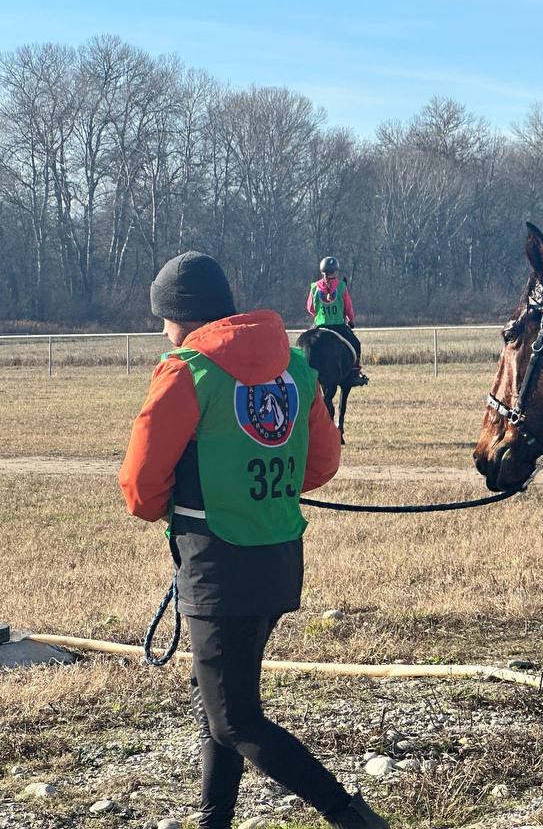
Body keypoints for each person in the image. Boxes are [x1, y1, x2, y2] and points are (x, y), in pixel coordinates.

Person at [119, 251, 389, 829]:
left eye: (163, 319)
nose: (162, 331)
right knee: (220, 702)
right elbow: (321, 463)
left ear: (180, 316)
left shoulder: (186, 372)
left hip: (216, 566)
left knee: (236, 719)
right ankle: (211, 820)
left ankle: (353, 817)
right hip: (278, 560)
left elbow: (140, 490)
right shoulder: (295, 366)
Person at [308, 256, 368, 386]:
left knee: (304, 345)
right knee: (356, 344)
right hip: (338, 326)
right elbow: (348, 307)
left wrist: (318, 315)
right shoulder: (341, 286)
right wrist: (350, 319)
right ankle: (355, 373)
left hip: (319, 325)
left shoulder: (314, 287)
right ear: (335, 272)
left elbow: (310, 308)